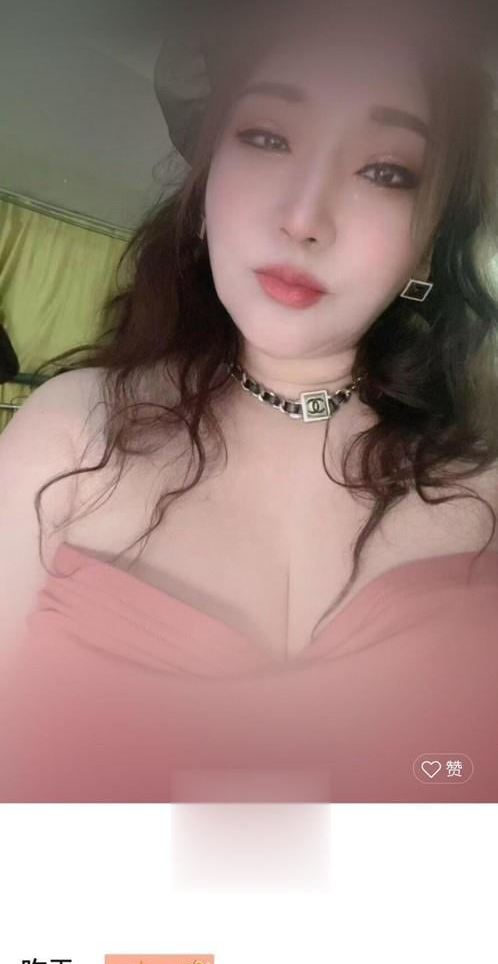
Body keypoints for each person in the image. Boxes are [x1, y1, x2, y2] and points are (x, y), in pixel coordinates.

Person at [1, 0, 498, 802]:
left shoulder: (485, 495)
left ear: (429, 243)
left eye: (386, 170)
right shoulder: (70, 431)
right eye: (266, 136)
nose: (303, 216)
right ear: (205, 187)